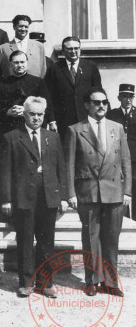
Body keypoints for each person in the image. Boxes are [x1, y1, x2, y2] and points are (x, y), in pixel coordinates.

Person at [0, 96, 68, 298]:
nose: (36, 118)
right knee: (26, 240)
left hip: (48, 195)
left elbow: (60, 167)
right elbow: (6, 171)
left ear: (44, 115)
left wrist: (63, 196)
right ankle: (26, 282)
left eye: (39, 114)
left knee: (47, 241)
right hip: (24, 196)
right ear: (25, 114)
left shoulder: (52, 137)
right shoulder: (12, 137)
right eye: (32, 114)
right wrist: (6, 199)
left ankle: (45, 283)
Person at [65, 88, 131, 297]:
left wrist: (127, 191)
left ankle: (111, 282)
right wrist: (71, 194)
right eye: (96, 102)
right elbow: (69, 165)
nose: (101, 106)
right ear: (87, 105)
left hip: (114, 191)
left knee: (112, 238)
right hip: (89, 190)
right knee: (91, 237)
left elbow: (126, 161)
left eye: (104, 102)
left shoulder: (117, 128)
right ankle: (92, 280)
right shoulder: (76, 130)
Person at [0, 50, 55, 147]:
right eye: (16, 62)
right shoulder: (2, 84)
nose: (20, 65)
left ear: (27, 63)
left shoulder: (38, 82)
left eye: (22, 62)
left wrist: (26, 110)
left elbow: (47, 105)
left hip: (32, 128)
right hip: (9, 129)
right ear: (10, 64)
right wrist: (8, 111)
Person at [44, 36, 102, 137]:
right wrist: (51, 120)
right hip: (63, 120)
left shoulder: (90, 66)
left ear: (80, 49)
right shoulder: (54, 69)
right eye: (69, 49)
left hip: (87, 118)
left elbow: (99, 93)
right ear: (63, 51)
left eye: (76, 48)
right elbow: (48, 96)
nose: (73, 51)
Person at [107, 83, 136, 220]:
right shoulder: (112, 114)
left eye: (131, 96)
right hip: (117, 159)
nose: (128, 99)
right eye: (125, 96)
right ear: (119, 98)